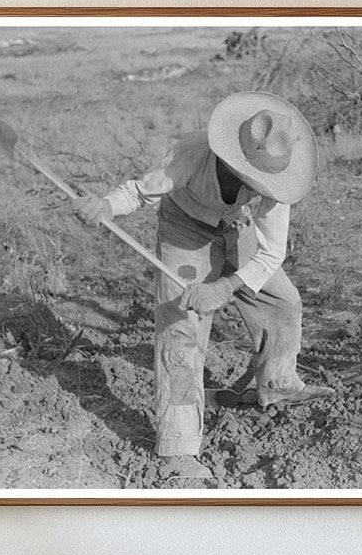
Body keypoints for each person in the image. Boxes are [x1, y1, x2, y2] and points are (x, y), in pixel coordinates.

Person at [75, 91, 332, 482]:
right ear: (232, 158)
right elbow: (138, 192)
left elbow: (271, 254)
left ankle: (278, 383)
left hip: (238, 229)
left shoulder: (277, 182)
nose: (257, 184)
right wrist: (105, 207)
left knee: (283, 301)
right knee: (182, 329)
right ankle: (178, 448)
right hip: (187, 230)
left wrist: (225, 287)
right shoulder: (191, 156)